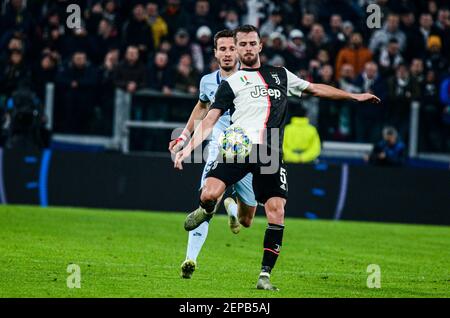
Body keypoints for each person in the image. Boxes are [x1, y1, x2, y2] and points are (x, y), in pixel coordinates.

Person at [174, 25, 380, 291]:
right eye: (243, 44)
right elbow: (210, 118)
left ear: (260, 46)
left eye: (252, 43)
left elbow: (315, 88)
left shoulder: (280, 75)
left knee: (270, 213)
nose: (247, 48)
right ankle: (206, 210)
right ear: (237, 49)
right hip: (239, 150)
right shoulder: (231, 83)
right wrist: (188, 148)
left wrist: (353, 96)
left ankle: (264, 276)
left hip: (269, 153)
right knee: (208, 194)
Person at [168, 30, 257, 279]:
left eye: (232, 49)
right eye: (223, 49)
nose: (227, 54)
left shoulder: (253, 80)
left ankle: (232, 207)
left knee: (247, 220)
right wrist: (184, 136)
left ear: (238, 51)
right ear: (215, 52)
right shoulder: (208, 81)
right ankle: (190, 259)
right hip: (219, 149)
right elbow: (201, 106)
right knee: (206, 201)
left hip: (249, 153)